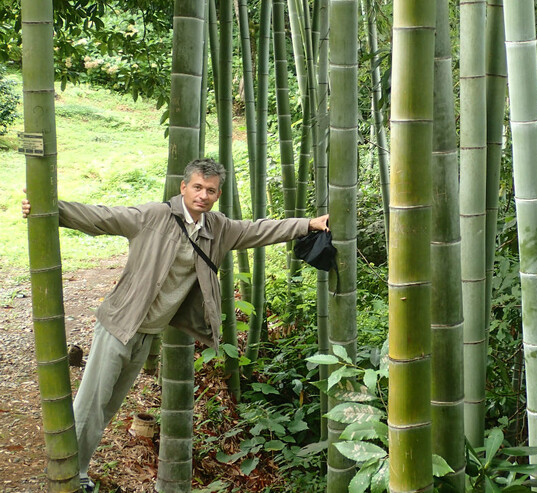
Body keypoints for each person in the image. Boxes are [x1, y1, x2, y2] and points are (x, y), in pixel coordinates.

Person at [22, 158, 328, 492]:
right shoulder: (153, 217)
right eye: (197, 187)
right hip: (119, 324)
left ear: (217, 194)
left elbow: (259, 229)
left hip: (147, 334)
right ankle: (68, 474)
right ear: (183, 187)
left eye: (210, 190)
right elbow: (101, 217)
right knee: (91, 403)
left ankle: (79, 469)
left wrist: (309, 224)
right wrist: (47, 207)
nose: (203, 195)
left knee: (109, 406)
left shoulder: (218, 228)